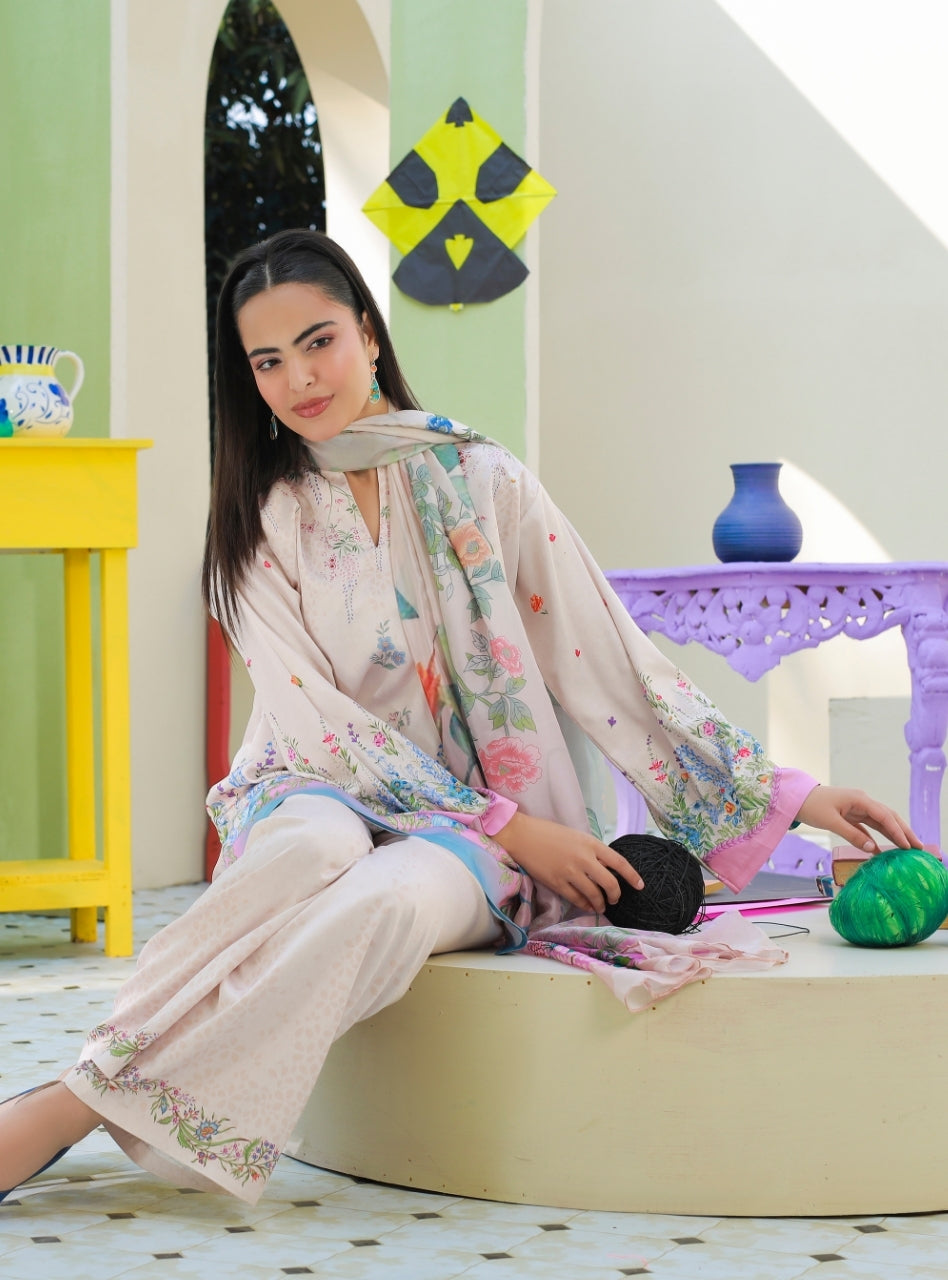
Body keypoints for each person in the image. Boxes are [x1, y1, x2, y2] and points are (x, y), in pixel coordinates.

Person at [0, 229, 920, 1205]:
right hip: (316, 784)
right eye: (267, 362)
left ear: (367, 331)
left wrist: (796, 794)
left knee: (387, 902)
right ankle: (82, 1095)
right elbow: (321, 725)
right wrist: (511, 826)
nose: (299, 379)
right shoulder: (256, 519)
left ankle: (74, 1103)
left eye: (319, 342)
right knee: (311, 850)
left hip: (478, 822)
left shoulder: (483, 479)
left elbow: (605, 653)